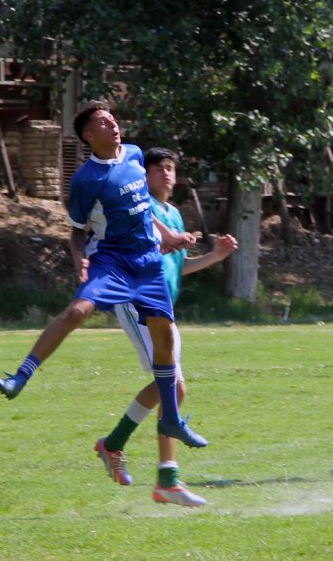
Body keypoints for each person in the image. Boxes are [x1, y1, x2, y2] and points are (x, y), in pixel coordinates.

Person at [0, 101, 208, 450]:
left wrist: (167, 236)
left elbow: (141, 209)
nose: (114, 126)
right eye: (104, 124)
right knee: (78, 311)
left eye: (113, 120)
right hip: (113, 262)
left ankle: (171, 419)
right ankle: (20, 376)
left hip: (148, 264)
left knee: (165, 341)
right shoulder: (86, 180)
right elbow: (77, 231)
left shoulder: (136, 155)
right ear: (89, 136)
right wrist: (80, 260)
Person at [94, 148, 238, 507]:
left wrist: (215, 257)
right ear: (144, 176)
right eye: (158, 169)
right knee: (171, 384)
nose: (166, 174)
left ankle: (162, 477)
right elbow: (138, 252)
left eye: (171, 168)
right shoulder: (137, 208)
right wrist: (169, 241)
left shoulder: (172, 213)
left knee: (175, 391)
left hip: (162, 308)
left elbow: (179, 266)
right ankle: (143, 463)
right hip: (136, 300)